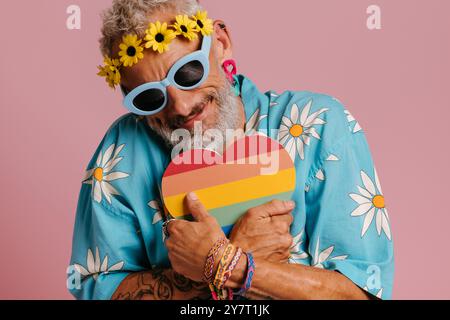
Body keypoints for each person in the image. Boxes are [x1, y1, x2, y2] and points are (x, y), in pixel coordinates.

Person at [68, 0, 394, 300]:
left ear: (220, 44)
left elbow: (364, 291)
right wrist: (211, 267)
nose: (181, 106)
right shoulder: (123, 153)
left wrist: (227, 263)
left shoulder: (319, 127)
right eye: (150, 97)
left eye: (187, 72)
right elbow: (94, 289)